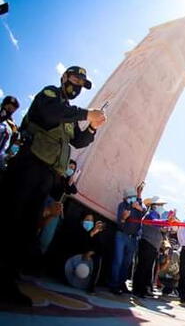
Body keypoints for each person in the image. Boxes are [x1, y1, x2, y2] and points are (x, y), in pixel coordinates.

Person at [0, 66, 105, 306]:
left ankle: (9, 279)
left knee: (27, 228)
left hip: (47, 175)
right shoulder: (51, 95)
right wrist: (86, 114)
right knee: (11, 220)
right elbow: (49, 115)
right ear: (65, 77)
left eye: (83, 83)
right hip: (28, 164)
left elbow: (78, 141)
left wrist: (91, 128)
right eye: (76, 79)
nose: (78, 85)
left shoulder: (69, 114)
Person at [109, 184, 146, 295]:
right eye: (130, 196)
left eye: (134, 196)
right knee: (118, 261)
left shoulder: (138, 206)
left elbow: (144, 212)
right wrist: (124, 218)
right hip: (122, 235)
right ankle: (114, 285)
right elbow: (120, 222)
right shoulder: (122, 206)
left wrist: (139, 206)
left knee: (127, 263)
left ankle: (121, 283)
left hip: (133, 238)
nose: (133, 198)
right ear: (125, 198)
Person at [132, 197, 167, 298]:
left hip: (153, 246)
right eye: (160, 205)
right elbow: (156, 223)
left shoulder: (157, 216)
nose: (162, 207)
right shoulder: (150, 215)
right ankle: (137, 290)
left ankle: (144, 289)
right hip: (147, 243)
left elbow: (162, 227)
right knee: (142, 267)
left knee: (148, 268)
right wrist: (167, 220)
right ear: (154, 206)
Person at [0, 95, 19, 169]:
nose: (9, 112)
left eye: (12, 111)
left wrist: (9, 155)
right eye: (8, 108)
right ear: (3, 105)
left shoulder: (11, 126)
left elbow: (17, 141)